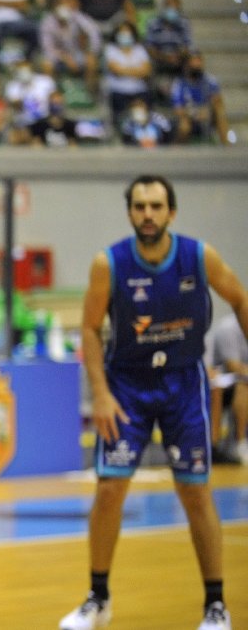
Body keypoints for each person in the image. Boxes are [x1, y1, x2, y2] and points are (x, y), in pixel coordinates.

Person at [61, 175, 247, 630]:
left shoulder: (199, 257)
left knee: (195, 491)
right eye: (140, 206)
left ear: (171, 212)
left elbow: (240, 299)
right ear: (130, 213)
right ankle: (98, 598)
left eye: (156, 205)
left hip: (184, 383)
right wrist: (101, 395)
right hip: (127, 386)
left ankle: (215, 606)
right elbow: (88, 329)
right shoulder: (110, 264)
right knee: (109, 490)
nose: (148, 214)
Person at [206, 314, 248, 464]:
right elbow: (233, 366)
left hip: (231, 382)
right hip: (224, 385)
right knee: (242, 385)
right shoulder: (228, 328)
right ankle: (238, 444)